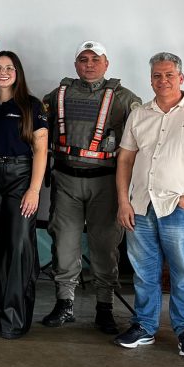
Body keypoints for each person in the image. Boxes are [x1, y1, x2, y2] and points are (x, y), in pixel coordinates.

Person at [114, 53, 184, 359]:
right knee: (144, 273)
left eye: (168, 75)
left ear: (181, 78)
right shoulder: (139, 114)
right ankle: (144, 326)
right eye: (156, 75)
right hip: (141, 207)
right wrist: (124, 201)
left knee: (182, 274)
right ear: (150, 79)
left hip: (179, 208)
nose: (162, 80)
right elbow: (125, 160)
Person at [42, 41, 141, 334]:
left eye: (95, 59)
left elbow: (142, 138)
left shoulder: (124, 99)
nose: (89, 64)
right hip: (66, 181)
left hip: (106, 183)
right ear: (75, 64)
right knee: (64, 244)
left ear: (106, 64)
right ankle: (65, 304)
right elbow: (36, 129)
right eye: (83, 59)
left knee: (105, 246)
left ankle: (104, 307)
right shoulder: (58, 95)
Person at [0, 51, 48, 339]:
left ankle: (14, 320)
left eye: (9, 67)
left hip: (20, 177)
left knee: (19, 248)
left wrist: (34, 190)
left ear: (17, 72)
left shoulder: (31, 105)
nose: (2, 72)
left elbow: (41, 150)